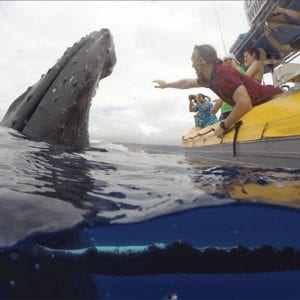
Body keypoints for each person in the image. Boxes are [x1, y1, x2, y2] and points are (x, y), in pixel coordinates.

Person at [153, 44, 283, 138]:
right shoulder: (208, 78)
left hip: (273, 99)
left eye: (193, 59)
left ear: (202, 61)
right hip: (259, 107)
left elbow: (244, 103)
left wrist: (224, 126)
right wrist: (167, 85)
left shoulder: (223, 73)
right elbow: (186, 83)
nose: (192, 63)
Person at [212, 53, 246, 120]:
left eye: (227, 60)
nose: (225, 62)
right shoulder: (222, 76)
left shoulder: (237, 69)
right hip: (225, 109)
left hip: (234, 108)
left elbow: (232, 89)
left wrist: (219, 101)